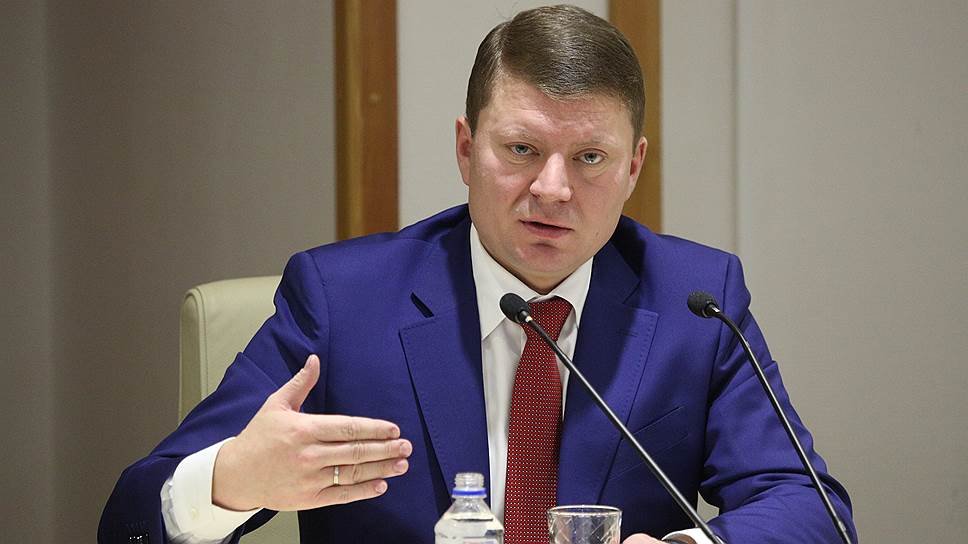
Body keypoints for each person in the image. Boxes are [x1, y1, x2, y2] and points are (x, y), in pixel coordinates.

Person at [99, 5, 855, 543]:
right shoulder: (344, 302)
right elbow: (130, 516)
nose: (553, 189)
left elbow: (810, 509)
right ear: (466, 149)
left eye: (590, 157)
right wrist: (229, 481)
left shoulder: (697, 302)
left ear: (634, 167)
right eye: (521, 150)